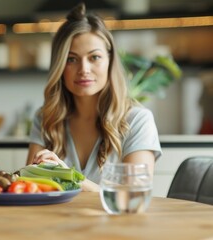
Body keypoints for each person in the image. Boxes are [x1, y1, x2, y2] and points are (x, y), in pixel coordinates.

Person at [26, 2, 162, 192]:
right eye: (71, 59)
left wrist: (70, 178)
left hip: (120, 223)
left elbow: (133, 195)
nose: (84, 70)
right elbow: (31, 187)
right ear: (59, 66)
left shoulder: (138, 120)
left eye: (94, 57)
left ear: (110, 61)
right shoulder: (46, 118)